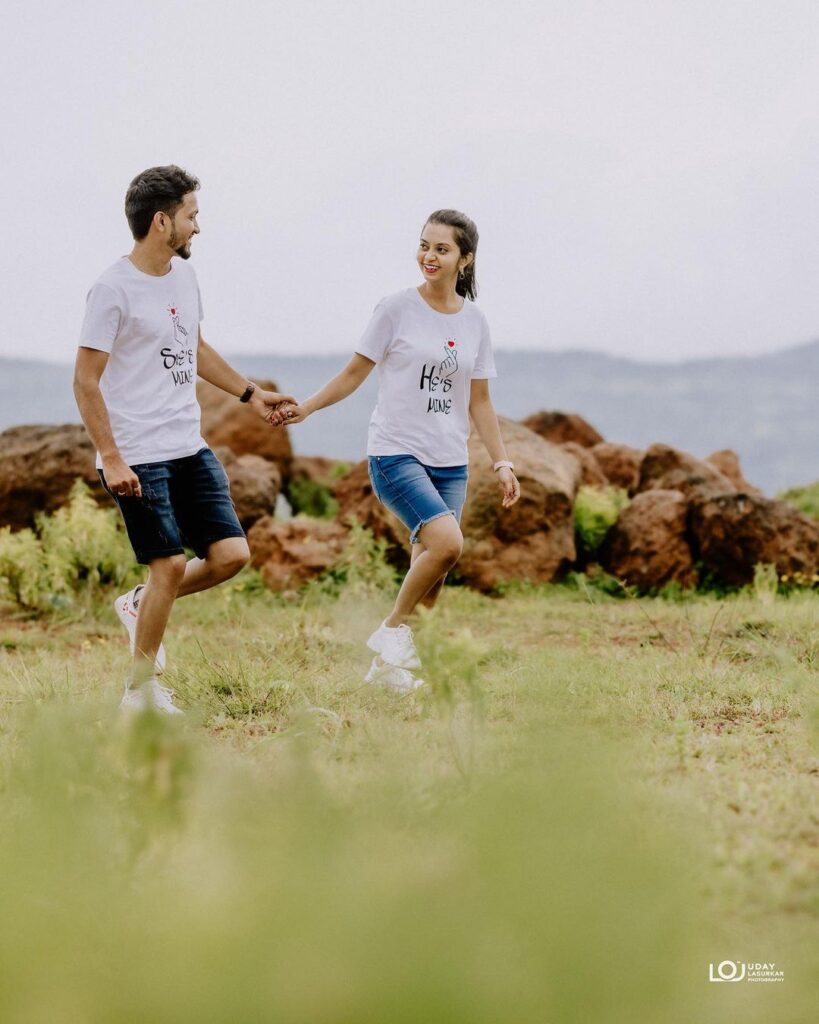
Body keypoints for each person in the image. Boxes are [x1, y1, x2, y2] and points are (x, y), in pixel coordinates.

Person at [74, 165, 293, 713]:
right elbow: (84, 381)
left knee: (231, 555)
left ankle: (140, 604)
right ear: (161, 221)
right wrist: (112, 457)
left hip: (187, 445)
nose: (199, 226)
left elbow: (192, 348)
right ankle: (140, 692)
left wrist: (251, 394)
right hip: (137, 454)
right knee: (169, 564)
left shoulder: (183, 277)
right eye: (192, 216)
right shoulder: (111, 289)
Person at [278, 209, 520, 692]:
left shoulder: (475, 321)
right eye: (424, 245)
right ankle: (390, 632)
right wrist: (306, 409)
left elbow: (480, 401)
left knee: (431, 572)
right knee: (448, 544)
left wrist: (502, 460)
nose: (428, 256)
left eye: (442, 249)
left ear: (464, 260)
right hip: (396, 455)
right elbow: (353, 373)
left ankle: (387, 675)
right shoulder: (394, 309)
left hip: (450, 463)